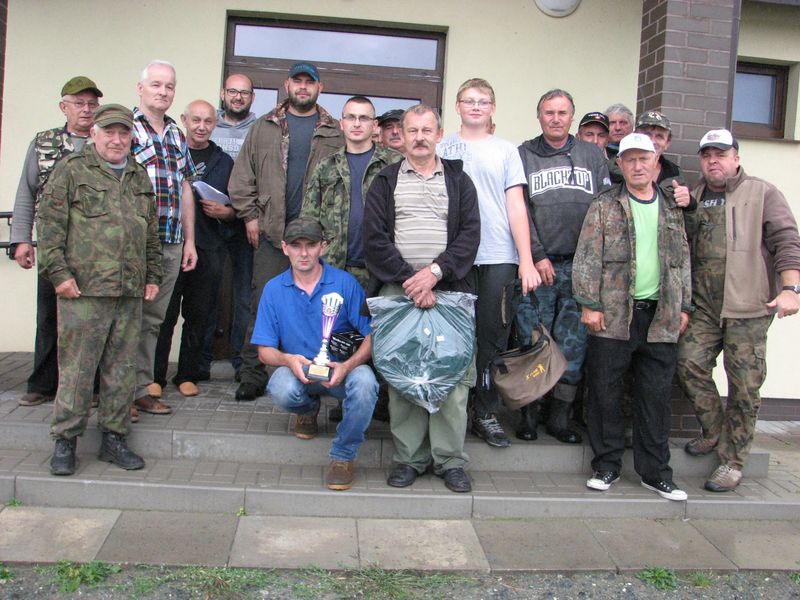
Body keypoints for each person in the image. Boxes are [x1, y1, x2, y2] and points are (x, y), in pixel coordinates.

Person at [37, 104, 161, 476]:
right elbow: (50, 228)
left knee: (121, 370)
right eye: (109, 132)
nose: (117, 139)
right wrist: (58, 274)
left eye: (124, 133)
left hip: (128, 292)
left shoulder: (139, 176)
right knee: (77, 369)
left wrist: (152, 275)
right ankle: (65, 441)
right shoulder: (72, 171)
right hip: (83, 292)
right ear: (94, 134)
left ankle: (114, 438)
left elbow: (150, 234)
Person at [363, 105, 481, 493]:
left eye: (426, 130)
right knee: (403, 375)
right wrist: (410, 280)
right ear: (402, 134)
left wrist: (434, 273)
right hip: (400, 292)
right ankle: (409, 459)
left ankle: (449, 461)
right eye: (411, 130)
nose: (418, 137)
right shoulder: (384, 180)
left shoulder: (460, 181)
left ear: (439, 133)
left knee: (453, 377)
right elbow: (374, 239)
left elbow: (469, 237)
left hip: (449, 290)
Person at [677, 129, 800, 492]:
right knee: (687, 362)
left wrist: (791, 288)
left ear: (737, 157)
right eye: (707, 155)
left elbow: (787, 240)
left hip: (748, 307)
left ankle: (732, 462)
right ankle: (715, 430)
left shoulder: (762, 193)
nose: (713, 161)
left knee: (745, 385)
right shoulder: (695, 196)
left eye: (721, 153)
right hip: (703, 306)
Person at [573, 132, 691, 502]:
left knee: (654, 398)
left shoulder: (673, 206)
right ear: (620, 166)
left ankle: (656, 473)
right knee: (605, 394)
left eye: (645, 159)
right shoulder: (605, 204)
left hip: (661, 317)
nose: (638, 166)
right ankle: (606, 465)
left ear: (657, 163)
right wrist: (589, 304)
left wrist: (684, 306)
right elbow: (587, 256)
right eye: (630, 160)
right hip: (612, 315)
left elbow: (683, 259)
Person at [230, 62, 344, 401]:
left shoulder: (334, 131)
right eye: (298, 81)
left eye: (310, 82)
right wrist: (250, 216)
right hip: (272, 235)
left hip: (317, 238)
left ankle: (319, 373)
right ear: (287, 85)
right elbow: (242, 178)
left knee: (322, 307)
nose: (304, 87)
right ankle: (252, 374)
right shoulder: (263, 127)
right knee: (262, 302)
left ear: (320, 88)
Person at [437, 78, 539, 448]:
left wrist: (525, 261)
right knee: (454, 337)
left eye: (483, 101)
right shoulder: (442, 146)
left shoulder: (506, 151)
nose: (476, 107)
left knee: (492, 338)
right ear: (458, 106)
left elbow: (516, 206)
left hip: (498, 256)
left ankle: (485, 412)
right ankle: (452, 411)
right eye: (469, 101)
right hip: (454, 259)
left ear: (493, 108)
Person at [252, 217, 378, 491]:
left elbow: (372, 335)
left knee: (366, 384)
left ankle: (343, 455)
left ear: (323, 247)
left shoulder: (345, 283)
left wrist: (349, 365)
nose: (304, 253)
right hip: (301, 372)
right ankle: (307, 410)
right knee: (280, 385)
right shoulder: (274, 289)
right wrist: (288, 360)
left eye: (311, 245)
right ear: (285, 248)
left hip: (340, 372)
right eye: (296, 246)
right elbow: (264, 351)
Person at [516, 89, 611, 444]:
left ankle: (560, 417)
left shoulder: (591, 154)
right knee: (533, 340)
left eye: (562, 112)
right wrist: (536, 254)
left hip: (581, 266)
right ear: (538, 116)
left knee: (573, 344)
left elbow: (605, 209)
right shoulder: (524, 154)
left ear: (572, 117)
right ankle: (529, 413)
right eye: (548, 112)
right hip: (537, 265)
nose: (555, 118)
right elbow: (519, 209)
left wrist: (592, 262)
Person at [10, 76, 102, 407]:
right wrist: (21, 240)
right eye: (79, 103)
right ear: (64, 106)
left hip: (95, 250)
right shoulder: (44, 143)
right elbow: (26, 193)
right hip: (53, 246)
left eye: (92, 104)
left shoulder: (106, 143)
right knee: (49, 316)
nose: (86, 109)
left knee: (91, 320)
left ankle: (90, 387)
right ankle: (43, 383)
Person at [153, 100, 235, 397]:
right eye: (196, 120)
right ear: (184, 120)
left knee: (200, 314)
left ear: (216, 124)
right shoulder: (169, 153)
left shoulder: (223, 161)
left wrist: (227, 212)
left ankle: (189, 373)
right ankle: (155, 376)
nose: (201, 127)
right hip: (172, 243)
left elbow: (237, 204)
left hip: (210, 246)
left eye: (208, 121)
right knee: (164, 313)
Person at [131, 60, 197, 421]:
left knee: (152, 321)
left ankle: (141, 389)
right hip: (133, 245)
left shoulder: (175, 133)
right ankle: (115, 394)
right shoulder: (122, 129)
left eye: (169, 86)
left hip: (171, 242)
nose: (163, 92)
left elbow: (185, 186)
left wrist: (190, 240)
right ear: (140, 88)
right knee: (124, 318)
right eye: (156, 85)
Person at [302, 96, 402, 288]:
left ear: (374, 126)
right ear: (342, 123)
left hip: (383, 270)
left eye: (364, 118)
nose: (357, 124)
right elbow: (309, 219)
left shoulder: (394, 163)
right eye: (351, 117)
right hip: (335, 268)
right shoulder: (326, 166)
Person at [203, 74, 258, 379]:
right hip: (207, 222)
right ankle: (201, 358)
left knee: (244, 296)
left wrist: (236, 212)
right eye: (233, 92)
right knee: (205, 292)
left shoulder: (260, 129)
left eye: (244, 92)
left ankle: (240, 359)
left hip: (243, 222)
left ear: (252, 97)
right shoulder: (208, 123)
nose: (238, 97)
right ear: (223, 93)